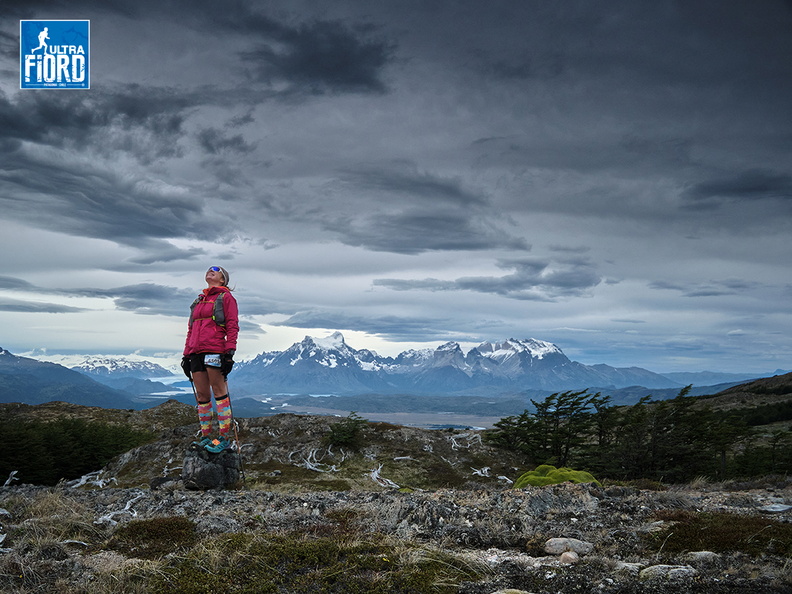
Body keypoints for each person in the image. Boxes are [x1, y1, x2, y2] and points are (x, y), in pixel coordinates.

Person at [181, 266, 239, 453]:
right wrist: (186, 355)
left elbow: (232, 325)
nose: (210, 271)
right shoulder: (199, 301)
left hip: (215, 350)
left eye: (216, 269)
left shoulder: (226, 298)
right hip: (196, 353)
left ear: (223, 280)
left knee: (219, 393)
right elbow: (191, 330)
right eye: (208, 269)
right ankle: (206, 437)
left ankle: (223, 438)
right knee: (202, 396)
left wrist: (229, 352)